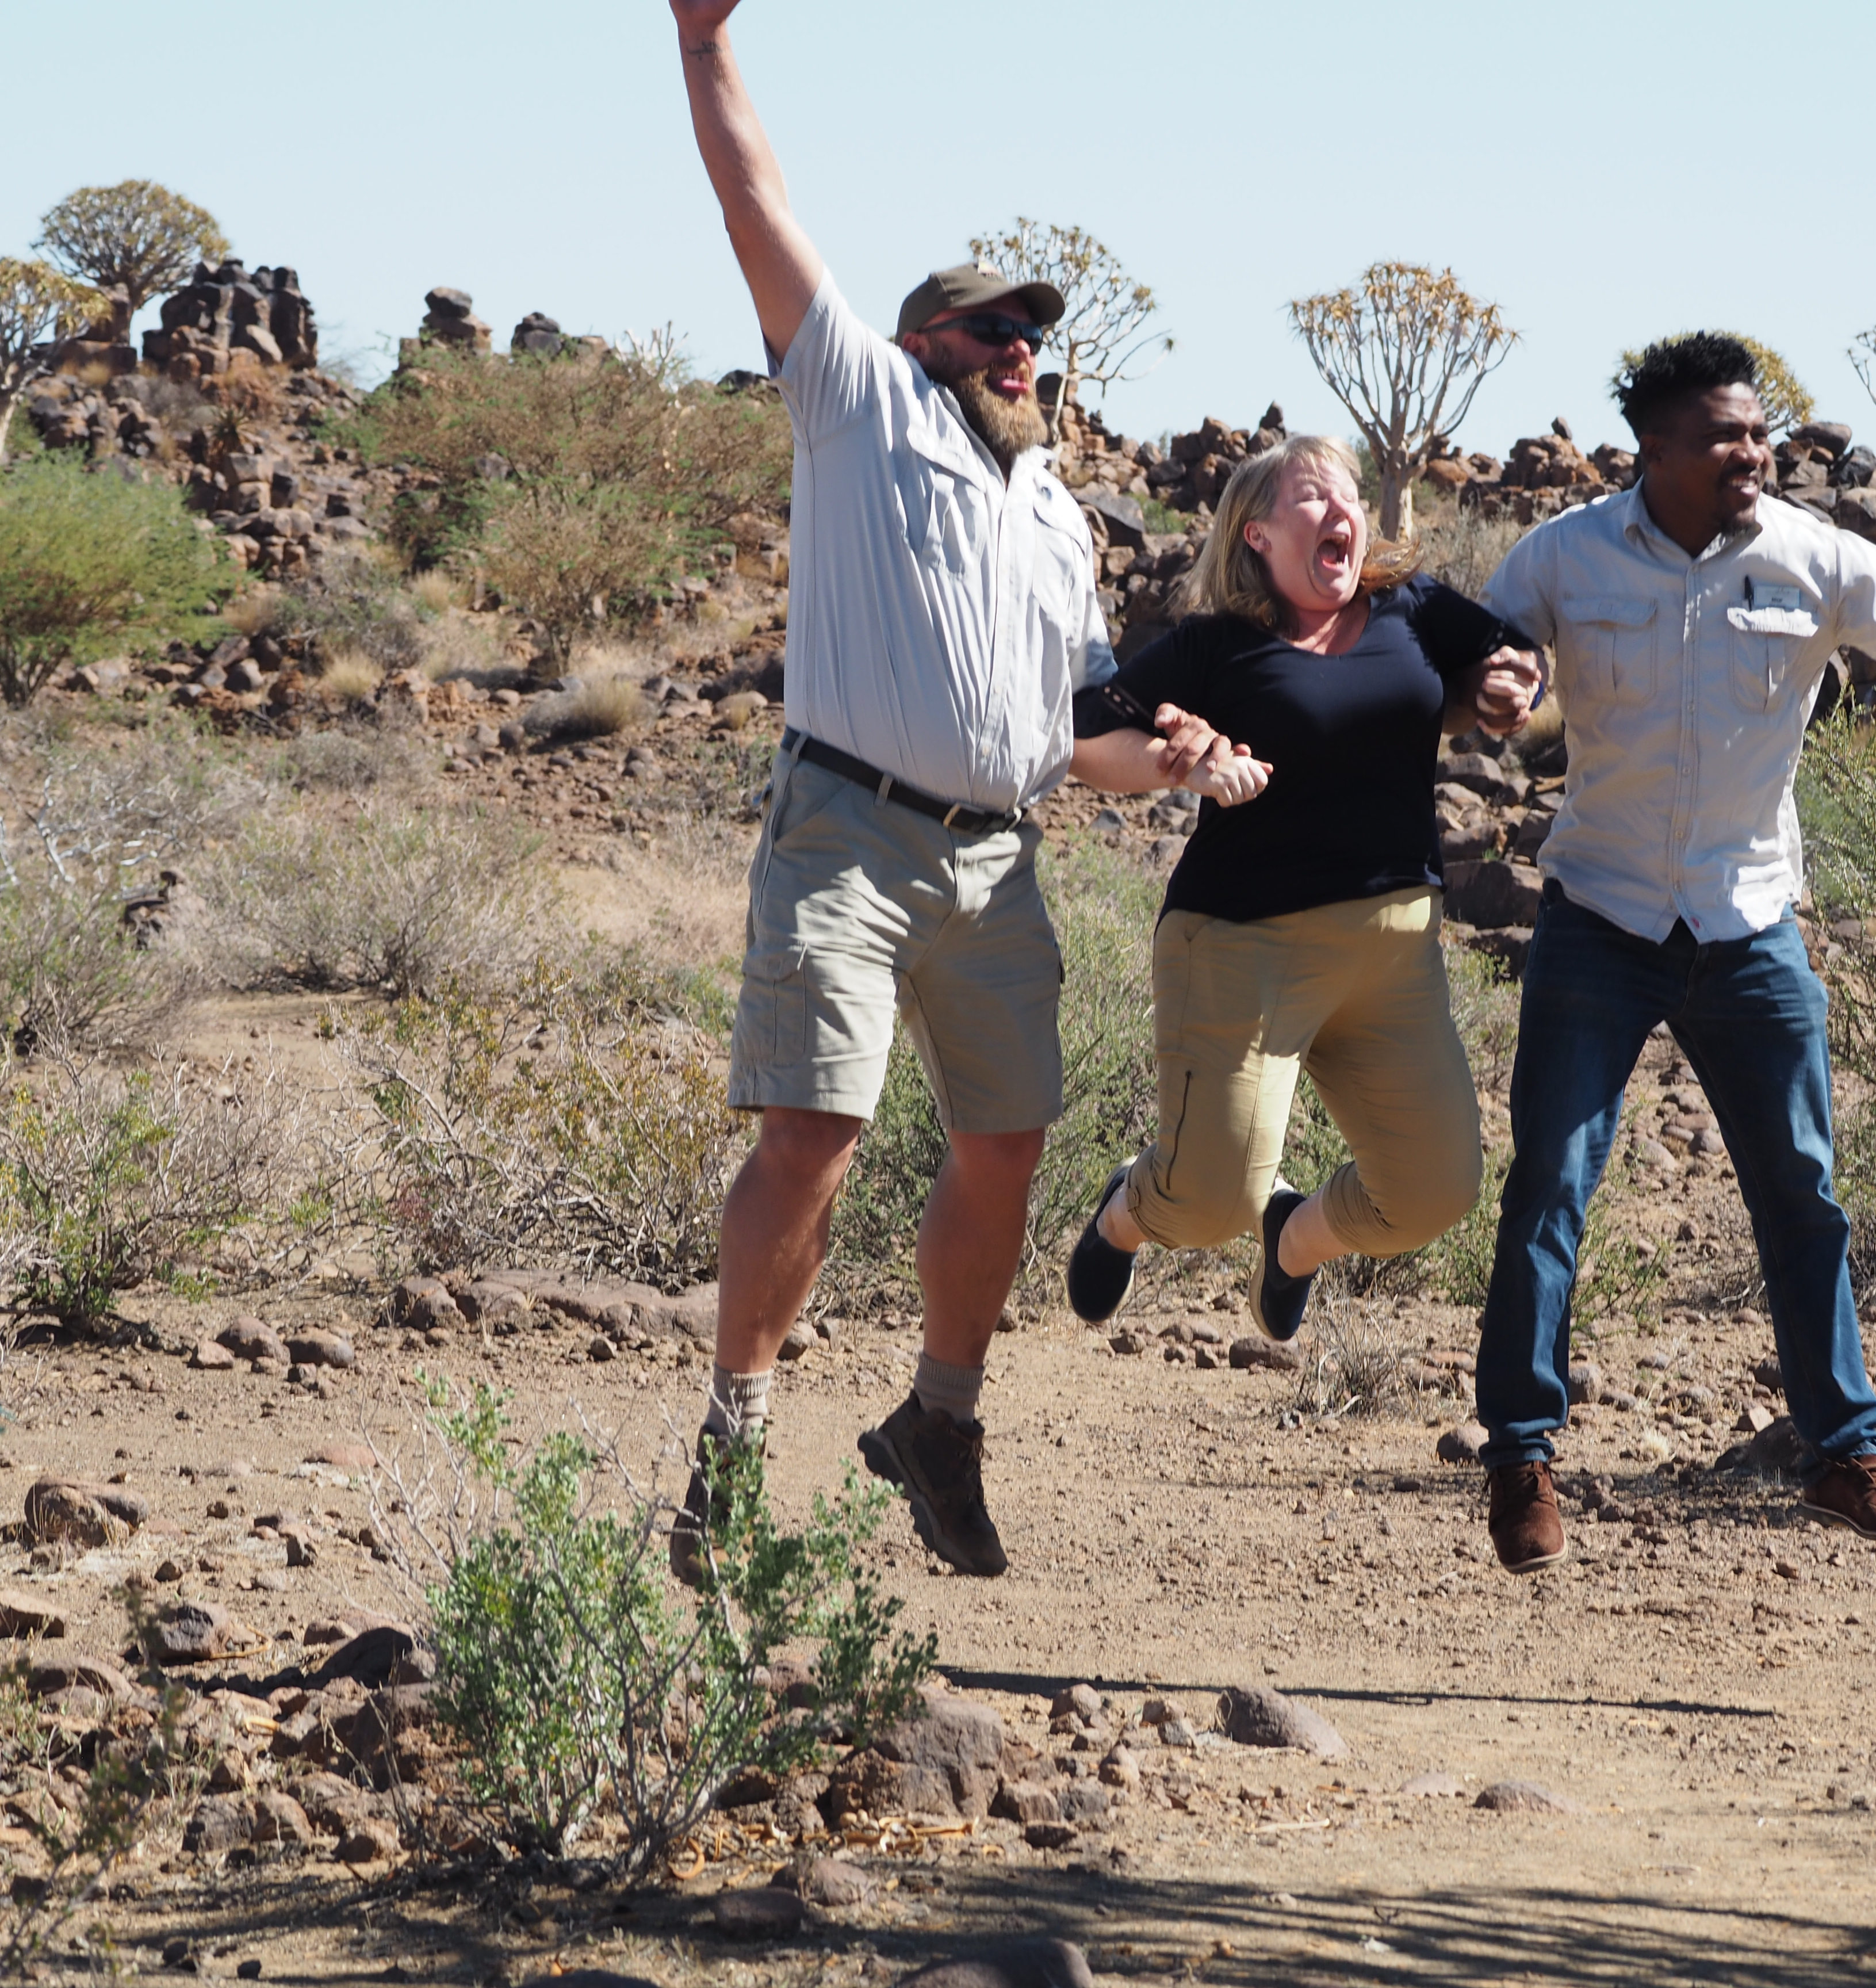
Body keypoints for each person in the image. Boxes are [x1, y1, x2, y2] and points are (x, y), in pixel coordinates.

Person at [664, 0, 1219, 1582]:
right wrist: (705, 45)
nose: (1020, 352)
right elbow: (752, 202)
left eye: (1033, 336)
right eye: (991, 331)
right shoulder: (857, 400)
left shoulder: (1060, 521)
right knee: (814, 1132)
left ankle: (941, 1422)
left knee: (1009, 1145)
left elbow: (1075, 737)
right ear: (926, 345)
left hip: (999, 860)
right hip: (846, 827)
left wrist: (1166, 762)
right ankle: (733, 1442)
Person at [1470, 334, 1876, 1574]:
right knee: (1549, 1188)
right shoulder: (1562, 557)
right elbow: (1491, 660)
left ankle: (1843, 1452)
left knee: (1803, 1198)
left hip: (1749, 924)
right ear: (1653, 451)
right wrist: (1496, 688)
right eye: (1724, 436)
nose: (1754, 453)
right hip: (1599, 919)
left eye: (1760, 432)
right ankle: (1521, 1457)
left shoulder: (1813, 556)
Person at [1062, 436, 1540, 1337]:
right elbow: (1086, 738)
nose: (1341, 512)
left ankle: (1294, 1240)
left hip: (1391, 954)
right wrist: (1182, 766)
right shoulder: (1215, 649)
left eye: (1348, 495)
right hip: (1242, 947)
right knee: (1202, 1208)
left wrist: (1513, 683)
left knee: (1433, 1194)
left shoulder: (1412, 609)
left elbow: (1508, 657)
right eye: (1313, 498)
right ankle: (1123, 1213)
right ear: (1257, 535)